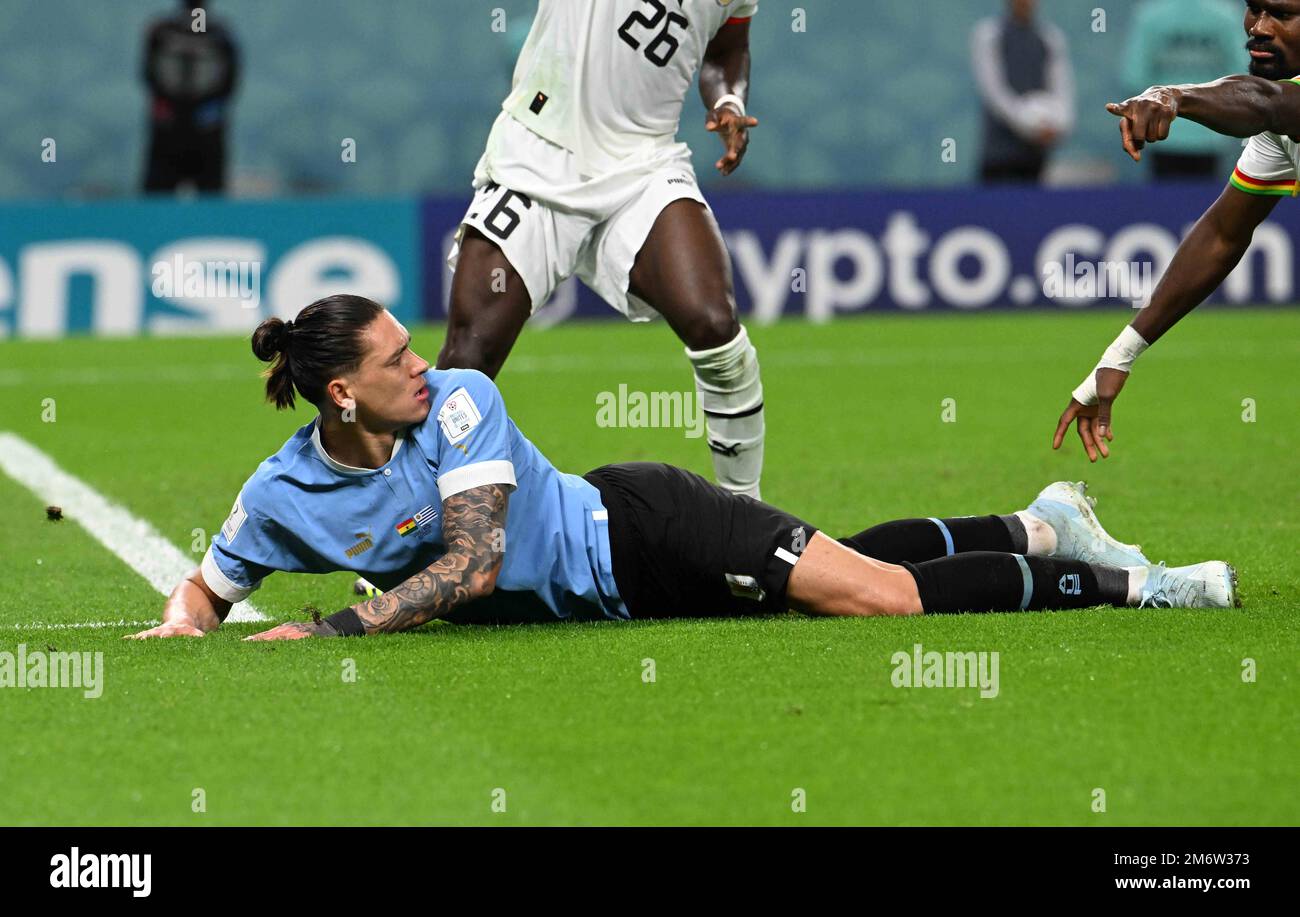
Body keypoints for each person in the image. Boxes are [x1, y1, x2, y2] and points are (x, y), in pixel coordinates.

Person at [127, 296, 1236, 642]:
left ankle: (1134, 583)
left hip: (646, 523)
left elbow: (472, 567)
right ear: (339, 393)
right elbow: (208, 587)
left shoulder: (460, 403)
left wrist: (333, 630)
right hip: (630, 595)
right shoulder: (281, 494)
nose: (424, 364)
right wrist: (180, 628)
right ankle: (1034, 524)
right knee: (829, 569)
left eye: (415, 345)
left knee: (873, 597)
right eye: (396, 358)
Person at [438, 0, 767, 500]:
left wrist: (728, 102)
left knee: (715, 327)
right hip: (538, 154)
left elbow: (726, 51)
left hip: (643, 164)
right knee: (469, 357)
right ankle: (412, 538)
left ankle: (748, 520)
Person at [1053, 0, 1300, 460]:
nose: (1259, 27)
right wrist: (1118, 355)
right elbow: (1222, 236)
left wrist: (1174, 97)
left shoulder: (1279, 108)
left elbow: (1266, 103)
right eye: (1254, 9)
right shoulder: (1280, 124)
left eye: (1282, 14)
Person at [1123, 0, 1244, 180]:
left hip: (1162, 130)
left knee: (1166, 202)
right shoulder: (1226, 15)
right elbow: (1241, 72)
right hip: (1211, 130)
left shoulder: (1151, 16)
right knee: (1207, 202)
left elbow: (1133, 77)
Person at [971, 0, 1076, 183]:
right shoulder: (989, 34)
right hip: (998, 155)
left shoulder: (1049, 37)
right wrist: (1031, 125)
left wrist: (1058, 125)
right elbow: (994, 92)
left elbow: (1062, 89)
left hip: (1036, 157)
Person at [141, 0, 239, 194]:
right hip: (180, 121)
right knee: (163, 190)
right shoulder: (218, 33)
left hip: (195, 121)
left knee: (204, 192)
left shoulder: (163, 32)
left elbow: (148, 74)